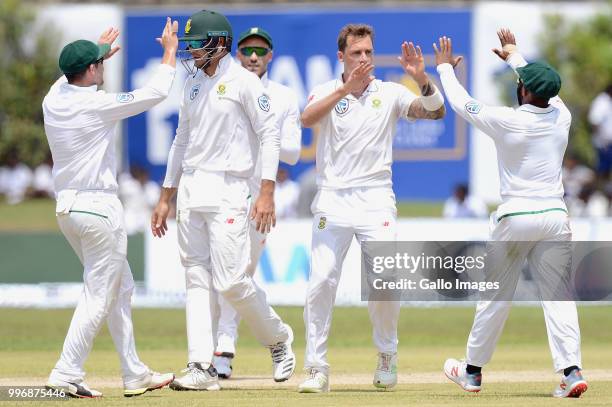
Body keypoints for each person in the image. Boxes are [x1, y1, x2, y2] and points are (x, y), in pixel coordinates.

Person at [435, 29, 587, 398]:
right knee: (558, 295)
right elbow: (542, 86)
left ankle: (471, 372)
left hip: (515, 215)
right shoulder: (562, 116)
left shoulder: (508, 120)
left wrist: (443, 69)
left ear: (523, 91)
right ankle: (571, 372)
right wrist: (515, 56)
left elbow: (460, 103)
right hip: (554, 215)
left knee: (495, 296)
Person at [151, 11, 296, 391]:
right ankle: (200, 366)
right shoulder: (193, 83)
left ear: (219, 43)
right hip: (193, 191)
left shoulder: (245, 82)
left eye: (196, 44)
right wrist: (165, 196)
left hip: (231, 189)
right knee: (196, 279)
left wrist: (266, 191)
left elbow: (270, 136)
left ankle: (278, 339)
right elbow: (180, 142)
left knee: (231, 282)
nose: (191, 52)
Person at [298, 24, 446, 393]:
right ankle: (316, 368)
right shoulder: (327, 90)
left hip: (376, 197)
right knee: (320, 281)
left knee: (384, 280)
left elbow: (436, 112)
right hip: (332, 197)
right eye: (355, 53)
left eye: (367, 52)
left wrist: (422, 78)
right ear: (342, 57)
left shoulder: (391, 92)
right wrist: (345, 90)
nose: (363, 59)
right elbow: (306, 118)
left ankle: (386, 355)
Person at [42, 18, 178, 398]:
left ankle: (134, 374)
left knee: (120, 289)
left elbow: (68, 74)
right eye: (99, 63)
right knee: (99, 295)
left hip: (68, 209)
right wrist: (170, 52)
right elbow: (152, 94)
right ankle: (66, 373)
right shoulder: (96, 105)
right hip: (98, 208)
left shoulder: (53, 99)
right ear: (90, 71)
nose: (104, 66)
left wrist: (96, 51)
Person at [212, 26, 301, 379]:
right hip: (222, 189)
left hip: (258, 193)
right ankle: (221, 348)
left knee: (238, 274)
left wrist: (266, 130)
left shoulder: (282, 97)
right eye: (247, 50)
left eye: (260, 52)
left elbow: (292, 154)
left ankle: (261, 342)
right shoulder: (223, 89)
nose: (253, 57)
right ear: (237, 54)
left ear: (271, 56)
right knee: (219, 275)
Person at [588, 84, 612, 182]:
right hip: (603, 142)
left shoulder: (608, 101)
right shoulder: (602, 101)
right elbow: (595, 121)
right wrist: (601, 139)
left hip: (607, 142)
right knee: (601, 168)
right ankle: (597, 190)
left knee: (606, 168)